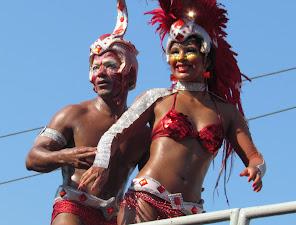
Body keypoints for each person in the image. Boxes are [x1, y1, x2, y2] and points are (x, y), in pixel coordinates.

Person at [79, 0, 266, 224]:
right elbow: (114, 134)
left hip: (191, 211)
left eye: (189, 51)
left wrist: (257, 169)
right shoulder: (157, 98)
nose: (181, 58)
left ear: (207, 60)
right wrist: (101, 163)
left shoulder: (227, 112)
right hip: (146, 198)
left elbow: (255, 158)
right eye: (174, 51)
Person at [26, 1, 150, 225]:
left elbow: (151, 181)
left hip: (115, 214)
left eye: (110, 65)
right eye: (95, 67)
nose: (100, 73)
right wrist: (67, 155)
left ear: (130, 75)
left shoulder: (141, 131)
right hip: (73, 205)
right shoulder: (73, 114)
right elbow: (33, 158)